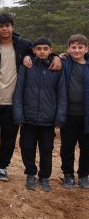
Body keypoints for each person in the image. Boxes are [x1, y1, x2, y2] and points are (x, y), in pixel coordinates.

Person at [0, 14, 35, 181]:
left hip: (14, 102)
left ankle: (3, 166)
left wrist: (55, 57)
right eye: (1, 26)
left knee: (9, 136)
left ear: (13, 26)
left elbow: (42, 53)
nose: (5, 29)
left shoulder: (25, 45)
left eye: (8, 25)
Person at [13, 37, 66, 192]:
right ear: (34, 50)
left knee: (46, 149)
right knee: (27, 147)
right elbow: (18, 92)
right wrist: (18, 114)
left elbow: (62, 94)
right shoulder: (27, 66)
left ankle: (44, 176)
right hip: (28, 118)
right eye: (39, 49)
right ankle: (30, 174)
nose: (42, 52)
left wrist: (59, 117)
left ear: (50, 50)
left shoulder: (56, 68)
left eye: (45, 49)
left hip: (48, 119)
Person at [60, 34, 89, 189]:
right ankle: (68, 174)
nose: (77, 50)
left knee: (86, 148)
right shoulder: (64, 63)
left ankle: (84, 175)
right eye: (73, 47)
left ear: (86, 48)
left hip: (86, 115)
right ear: (68, 48)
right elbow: (49, 60)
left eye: (80, 47)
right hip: (68, 114)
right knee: (67, 147)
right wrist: (56, 56)